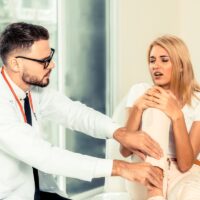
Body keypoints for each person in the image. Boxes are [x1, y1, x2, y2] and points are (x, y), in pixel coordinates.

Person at [0, 22, 164, 200]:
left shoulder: (33, 89)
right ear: (15, 63)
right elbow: (45, 156)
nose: (52, 65)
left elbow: (74, 113)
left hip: (40, 190)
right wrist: (120, 168)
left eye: (51, 56)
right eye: (44, 61)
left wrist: (119, 132)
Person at [120, 35, 200, 200]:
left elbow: (185, 164)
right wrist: (137, 108)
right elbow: (125, 150)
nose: (156, 66)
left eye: (164, 60)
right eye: (152, 60)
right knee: (155, 107)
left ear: (180, 66)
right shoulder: (140, 91)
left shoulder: (197, 101)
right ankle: (155, 191)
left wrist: (177, 115)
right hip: (144, 169)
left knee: (192, 195)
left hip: (181, 173)